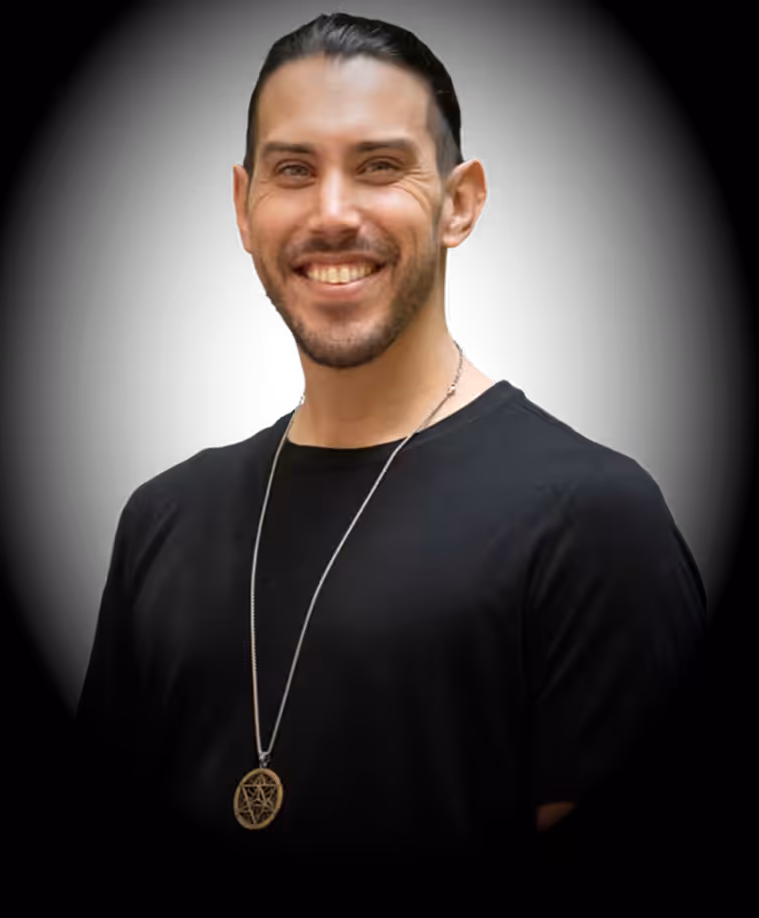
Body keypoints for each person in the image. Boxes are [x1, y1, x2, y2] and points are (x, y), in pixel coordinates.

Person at [78, 9, 706, 896]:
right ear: (242, 210)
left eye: (379, 167)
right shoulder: (160, 516)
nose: (332, 215)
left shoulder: (595, 517)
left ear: (462, 203)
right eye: (293, 170)